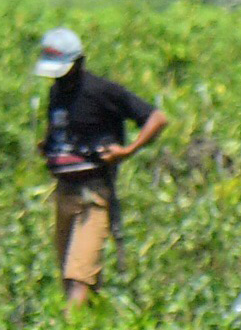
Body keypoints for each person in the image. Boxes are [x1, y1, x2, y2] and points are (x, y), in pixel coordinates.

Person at [33, 26, 167, 310]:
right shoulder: (56, 93)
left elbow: (157, 118)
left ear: (79, 63)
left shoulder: (102, 91)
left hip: (92, 196)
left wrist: (128, 151)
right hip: (65, 194)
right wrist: (51, 147)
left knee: (79, 279)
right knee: (71, 278)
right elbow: (64, 128)